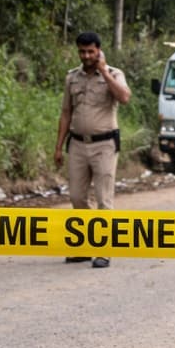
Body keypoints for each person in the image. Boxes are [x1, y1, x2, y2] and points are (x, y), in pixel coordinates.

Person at [54, 31, 130, 269]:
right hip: (77, 144)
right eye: (82, 51)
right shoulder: (72, 78)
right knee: (77, 196)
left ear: (99, 51)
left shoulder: (114, 74)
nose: (86, 56)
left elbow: (124, 97)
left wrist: (104, 71)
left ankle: (103, 250)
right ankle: (83, 247)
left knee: (103, 198)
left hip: (104, 145)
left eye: (90, 51)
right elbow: (66, 112)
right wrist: (58, 147)